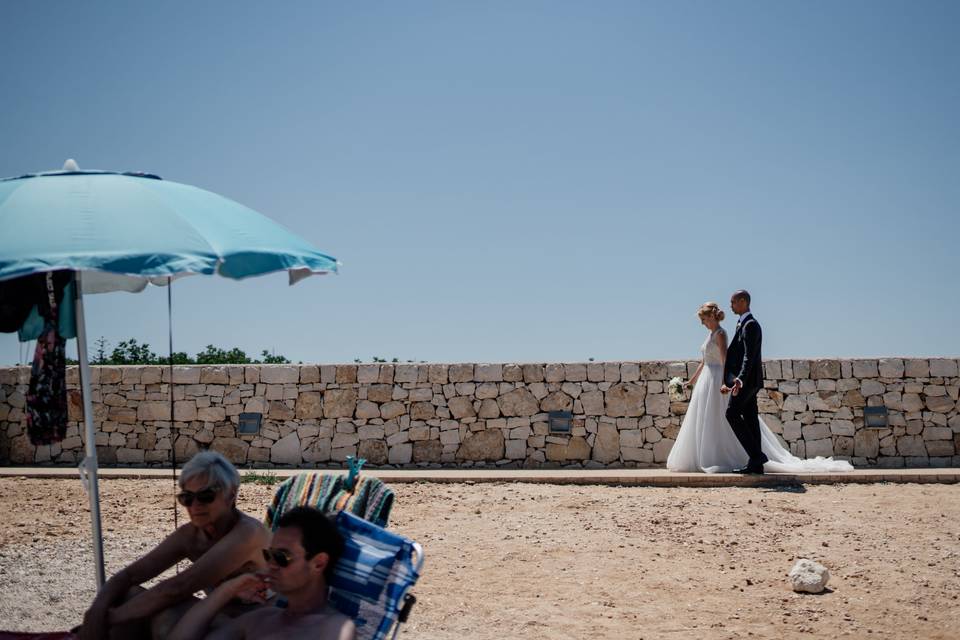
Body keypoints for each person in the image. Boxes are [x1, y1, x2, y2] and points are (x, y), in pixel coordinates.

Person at [80, 451, 270, 639]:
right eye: (187, 498)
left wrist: (108, 619)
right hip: (218, 615)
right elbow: (130, 575)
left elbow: (180, 587)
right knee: (129, 594)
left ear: (231, 496)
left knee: (166, 619)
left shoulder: (247, 533)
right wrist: (96, 610)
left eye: (206, 497)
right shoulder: (192, 535)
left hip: (259, 621)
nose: (195, 506)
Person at [667, 294, 853, 474]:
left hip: (738, 380)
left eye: (733, 302)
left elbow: (743, 358)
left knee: (732, 414)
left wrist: (733, 380)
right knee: (750, 419)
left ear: (742, 302)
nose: (730, 306)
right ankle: (756, 461)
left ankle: (756, 456)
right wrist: (691, 382)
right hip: (726, 380)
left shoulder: (747, 326)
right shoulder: (740, 324)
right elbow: (709, 359)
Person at [168, 506, 356, 640]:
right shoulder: (260, 620)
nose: (271, 565)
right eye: (269, 555)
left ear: (318, 563)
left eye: (282, 557)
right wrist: (228, 590)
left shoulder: (334, 628)